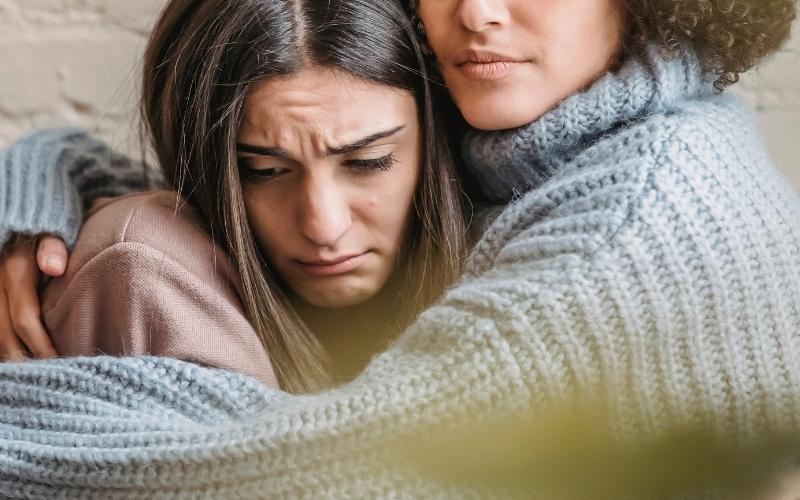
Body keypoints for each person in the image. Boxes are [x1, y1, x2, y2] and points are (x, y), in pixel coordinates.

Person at [0, 0, 799, 496]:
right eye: (263, 171)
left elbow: (300, 479)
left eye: (371, 162)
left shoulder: (620, 235)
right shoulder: (524, 132)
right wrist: (51, 174)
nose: (479, 11)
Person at [0, 0, 467, 391]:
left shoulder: (517, 231)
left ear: (439, 133)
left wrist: (54, 168)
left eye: (368, 162)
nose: (323, 226)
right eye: (263, 171)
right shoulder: (142, 263)